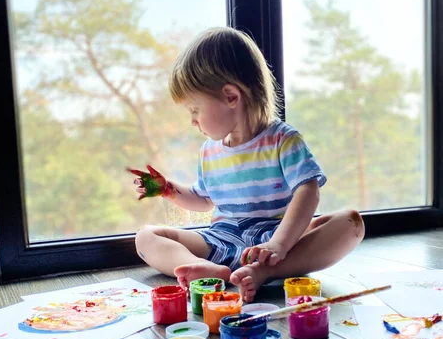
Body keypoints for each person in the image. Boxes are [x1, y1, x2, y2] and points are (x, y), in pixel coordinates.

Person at [131, 27, 365, 302]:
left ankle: (263, 271)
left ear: (231, 96)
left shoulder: (282, 140)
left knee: (350, 223)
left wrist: (278, 244)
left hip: (277, 241)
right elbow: (203, 200)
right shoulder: (209, 152)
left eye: (195, 110)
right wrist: (168, 189)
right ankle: (209, 271)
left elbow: (308, 190)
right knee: (145, 237)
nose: (192, 121)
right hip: (222, 239)